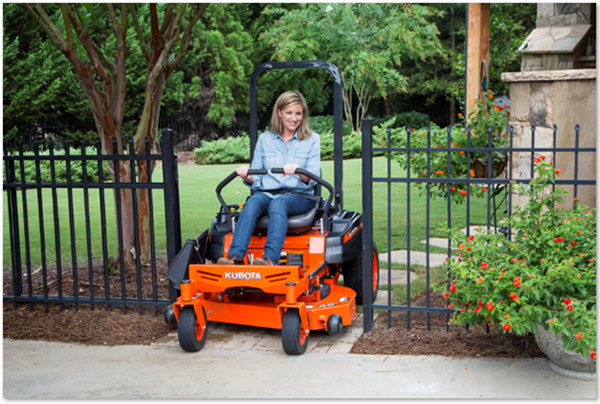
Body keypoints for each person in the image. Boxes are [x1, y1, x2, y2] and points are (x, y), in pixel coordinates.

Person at [217, 91, 320, 266]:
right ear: (279, 112)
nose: (294, 118)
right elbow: (257, 179)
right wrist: (248, 176)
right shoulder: (265, 139)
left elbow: (312, 177)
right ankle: (234, 258)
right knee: (252, 203)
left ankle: (269, 260)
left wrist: (297, 171)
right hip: (267, 193)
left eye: (298, 113)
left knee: (278, 203)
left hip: (300, 196)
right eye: (289, 113)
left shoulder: (311, 140)